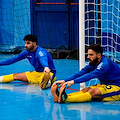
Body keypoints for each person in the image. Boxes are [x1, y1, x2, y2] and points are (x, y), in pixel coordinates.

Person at [51, 44, 120, 103]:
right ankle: (61, 96)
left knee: (93, 92)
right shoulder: (94, 62)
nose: (88, 57)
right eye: (88, 55)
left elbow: (90, 75)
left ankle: (66, 99)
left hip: (117, 88)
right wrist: (65, 80)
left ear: (99, 55)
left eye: (91, 55)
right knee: (85, 90)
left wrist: (73, 82)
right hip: (104, 85)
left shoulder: (105, 64)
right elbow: (81, 72)